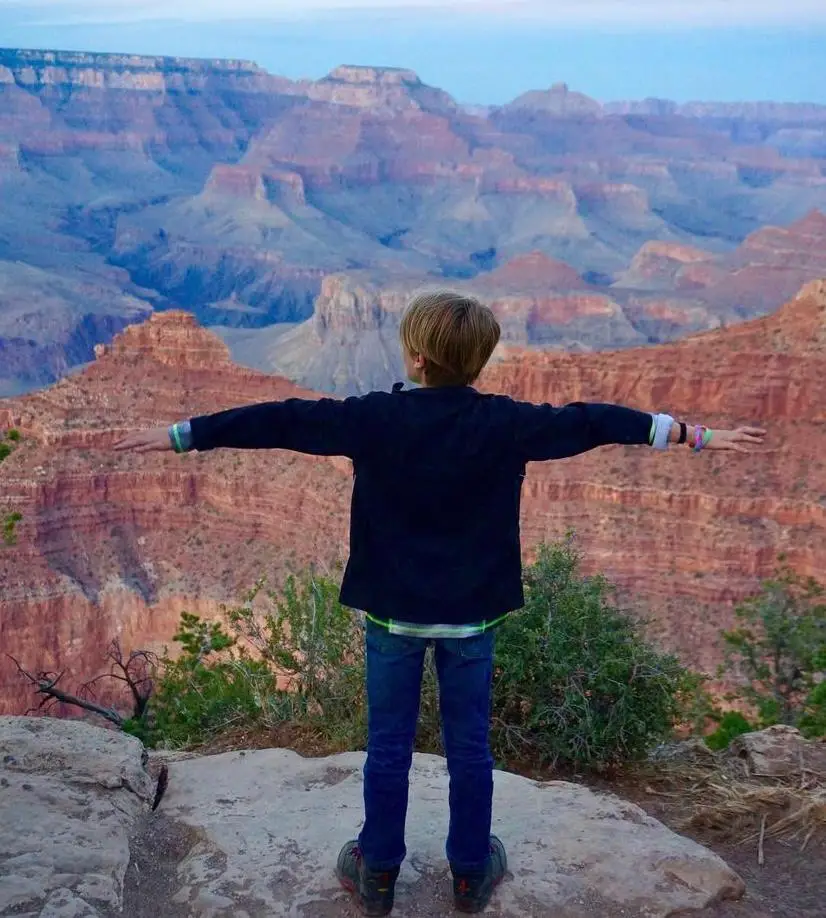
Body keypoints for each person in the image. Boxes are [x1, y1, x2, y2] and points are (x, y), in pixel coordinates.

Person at [115, 291, 765, 916]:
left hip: (392, 617)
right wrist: (691, 435)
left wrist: (182, 435)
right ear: (478, 360)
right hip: (471, 618)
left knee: (388, 748)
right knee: (470, 750)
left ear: (418, 360)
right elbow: (593, 420)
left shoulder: (374, 419)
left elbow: (280, 419)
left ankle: (376, 874)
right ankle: (470, 872)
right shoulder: (507, 423)